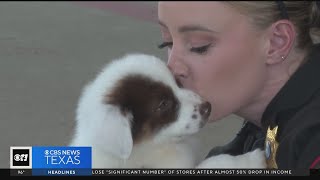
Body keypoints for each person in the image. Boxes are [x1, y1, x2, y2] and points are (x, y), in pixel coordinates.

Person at [157, 1, 320, 175]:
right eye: (168, 43)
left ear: (276, 42)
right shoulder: (271, 123)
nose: (172, 67)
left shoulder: (310, 142)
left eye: (198, 47)